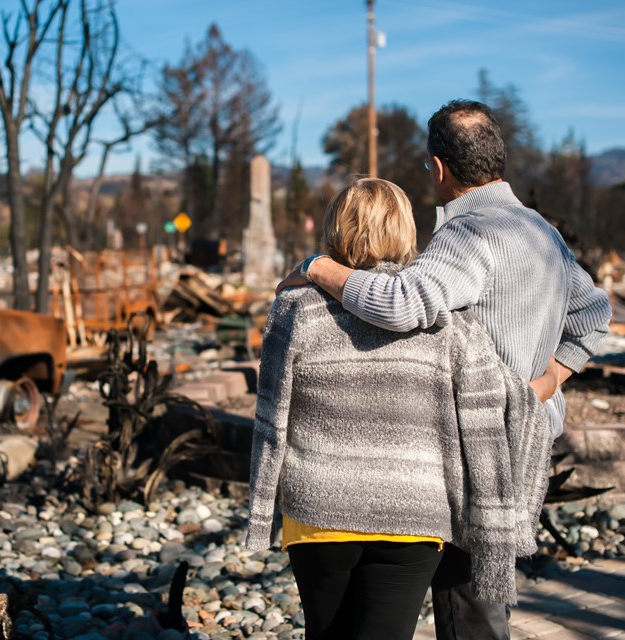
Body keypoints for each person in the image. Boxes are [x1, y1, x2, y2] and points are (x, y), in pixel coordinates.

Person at [278, 100, 612, 639]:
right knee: (485, 604)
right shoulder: (540, 232)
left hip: (475, 447)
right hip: (528, 441)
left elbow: (400, 304)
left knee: (466, 612)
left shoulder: (468, 234)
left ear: (438, 167)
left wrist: (318, 267)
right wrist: (547, 382)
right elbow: (594, 315)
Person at [246, 178, 553, 640]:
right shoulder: (445, 319)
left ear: (334, 229)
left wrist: (261, 512)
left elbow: (272, 418)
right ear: (406, 231)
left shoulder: (296, 306)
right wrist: (548, 383)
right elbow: (486, 409)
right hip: (414, 514)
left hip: (319, 510)